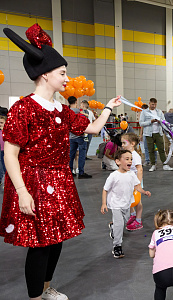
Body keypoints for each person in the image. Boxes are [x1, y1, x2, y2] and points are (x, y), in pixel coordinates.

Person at [0, 23, 122, 300]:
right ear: (44, 75)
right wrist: (21, 191)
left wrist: (107, 108)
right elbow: (10, 153)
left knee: (56, 242)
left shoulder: (62, 110)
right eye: (62, 73)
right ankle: (35, 297)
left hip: (60, 180)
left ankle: (45, 289)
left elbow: (90, 129)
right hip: (33, 182)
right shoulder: (24, 107)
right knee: (40, 245)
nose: (67, 79)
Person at [101, 150, 151, 258]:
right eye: (127, 159)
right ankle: (117, 246)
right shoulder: (113, 176)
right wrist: (104, 204)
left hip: (126, 205)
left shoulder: (132, 174)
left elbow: (136, 186)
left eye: (131, 159)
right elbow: (105, 190)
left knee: (124, 222)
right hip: (115, 205)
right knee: (120, 225)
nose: (130, 161)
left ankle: (113, 227)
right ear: (118, 161)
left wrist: (143, 191)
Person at [139, 98, 173, 172]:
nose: (153, 106)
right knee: (150, 150)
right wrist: (150, 121)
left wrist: (160, 121)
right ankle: (153, 164)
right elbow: (141, 123)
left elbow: (164, 121)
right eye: (152, 104)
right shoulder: (144, 112)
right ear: (149, 103)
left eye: (155, 104)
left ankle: (165, 164)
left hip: (158, 133)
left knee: (161, 149)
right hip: (148, 134)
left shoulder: (159, 112)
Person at [121, 133, 144, 231]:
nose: (122, 145)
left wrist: (138, 184)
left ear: (132, 144)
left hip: (135, 183)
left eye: (124, 143)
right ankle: (133, 215)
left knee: (138, 201)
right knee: (129, 199)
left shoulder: (135, 156)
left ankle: (138, 221)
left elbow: (140, 170)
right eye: (121, 143)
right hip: (128, 182)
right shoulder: (126, 155)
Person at [68, 96, 92, 179]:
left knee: (71, 154)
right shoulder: (80, 112)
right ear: (76, 102)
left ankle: (70, 171)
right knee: (82, 154)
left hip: (71, 136)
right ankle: (81, 172)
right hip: (81, 135)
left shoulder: (67, 112)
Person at [0, 115, 6, 185]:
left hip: (7, 151)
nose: (0, 124)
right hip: (2, 151)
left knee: (8, 168)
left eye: (1, 123)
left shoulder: (6, 131)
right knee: (4, 168)